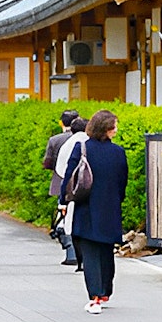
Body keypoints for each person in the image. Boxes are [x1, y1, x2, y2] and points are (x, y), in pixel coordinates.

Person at [62, 110, 127, 315]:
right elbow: (122, 182)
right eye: (114, 126)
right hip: (110, 207)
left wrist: (63, 202)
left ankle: (95, 296)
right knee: (106, 251)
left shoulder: (81, 149)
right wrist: (117, 199)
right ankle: (106, 291)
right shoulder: (118, 152)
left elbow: (69, 177)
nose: (116, 129)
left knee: (90, 253)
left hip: (86, 206)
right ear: (107, 129)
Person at [43, 108, 80, 265]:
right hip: (82, 183)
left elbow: (48, 163)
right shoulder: (86, 139)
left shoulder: (55, 140)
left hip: (61, 181)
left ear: (61, 123)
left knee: (64, 215)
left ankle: (70, 250)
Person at [54, 116, 88, 272]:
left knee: (70, 222)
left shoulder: (67, 144)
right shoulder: (91, 142)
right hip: (90, 188)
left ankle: (73, 255)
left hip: (72, 189)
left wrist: (62, 199)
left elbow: (61, 169)